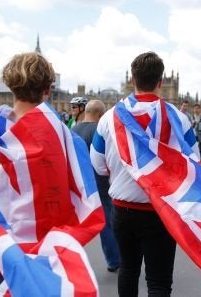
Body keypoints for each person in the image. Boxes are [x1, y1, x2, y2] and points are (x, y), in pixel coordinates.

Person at [0, 52, 103, 296]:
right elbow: (83, 206)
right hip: (44, 263)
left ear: (11, 86)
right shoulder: (68, 142)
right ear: (48, 89)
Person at [90, 51, 200, 296]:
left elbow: (97, 164)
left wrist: (121, 173)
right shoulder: (180, 119)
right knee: (158, 281)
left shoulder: (109, 118)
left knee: (128, 271)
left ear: (133, 80)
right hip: (161, 211)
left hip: (122, 209)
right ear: (161, 81)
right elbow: (195, 162)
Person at [72, 99, 121, 273]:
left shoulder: (73, 130)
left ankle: (71, 263)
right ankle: (114, 260)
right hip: (100, 183)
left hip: (78, 184)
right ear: (100, 114)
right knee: (107, 221)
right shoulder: (100, 131)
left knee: (76, 224)